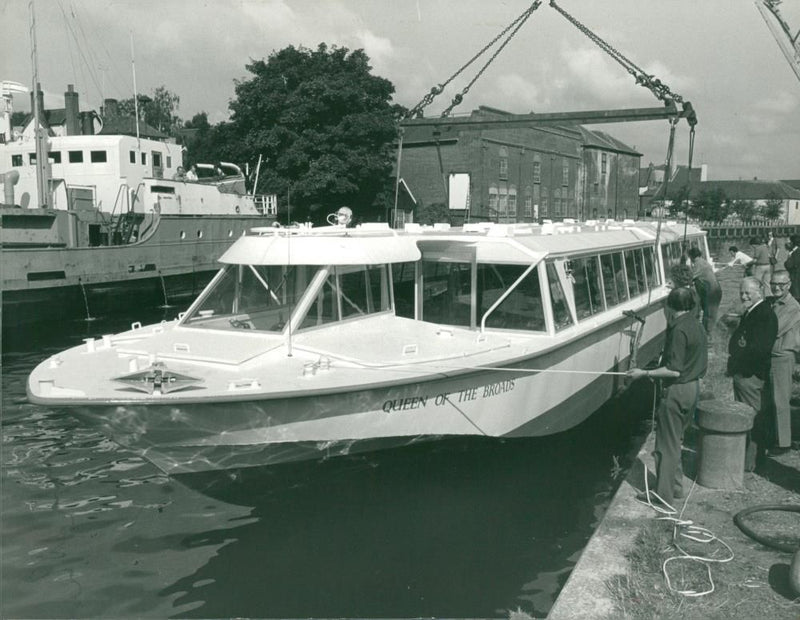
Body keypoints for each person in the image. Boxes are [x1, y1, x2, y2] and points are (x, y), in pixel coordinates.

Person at [628, 287, 707, 510]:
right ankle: (675, 487)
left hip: (677, 390)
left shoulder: (678, 329)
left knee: (665, 445)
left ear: (669, 307)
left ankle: (663, 496)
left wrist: (644, 373)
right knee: (676, 440)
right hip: (692, 389)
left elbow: (674, 370)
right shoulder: (696, 324)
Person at [727, 276, 778, 471]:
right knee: (748, 416)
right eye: (741, 292)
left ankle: (751, 462)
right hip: (745, 374)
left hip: (750, 376)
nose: (743, 296)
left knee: (751, 418)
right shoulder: (754, 311)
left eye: (748, 292)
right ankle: (750, 460)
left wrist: (742, 370)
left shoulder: (764, 314)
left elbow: (759, 350)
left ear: (759, 292)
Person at [767, 270, 800, 455]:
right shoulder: (774, 302)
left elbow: (774, 329)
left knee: (781, 400)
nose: (776, 287)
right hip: (773, 356)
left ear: (788, 285)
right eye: (773, 283)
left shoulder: (792, 307)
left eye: (781, 284)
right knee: (773, 399)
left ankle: (784, 443)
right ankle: (775, 436)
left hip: (782, 357)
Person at [687, 246, 722, 341]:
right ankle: (705, 335)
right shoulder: (703, 262)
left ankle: (707, 339)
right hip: (711, 291)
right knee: (708, 314)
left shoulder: (699, 264)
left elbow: (690, 278)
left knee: (709, 315)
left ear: (691, 257)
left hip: (712, 292)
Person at [783, 234, 800, 299]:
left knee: (796, 294)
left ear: (792, 243)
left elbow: (789, 265)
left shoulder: (795, 252)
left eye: (789, 242)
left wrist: (789, 257)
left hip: (795, 276)